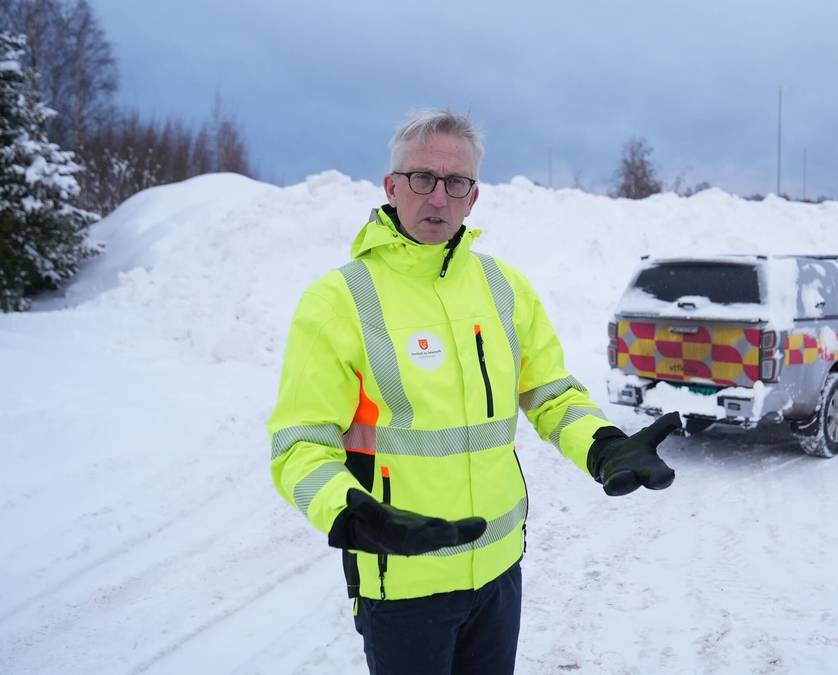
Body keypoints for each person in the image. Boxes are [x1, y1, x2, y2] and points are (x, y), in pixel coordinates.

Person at [267, 109, 680, 675]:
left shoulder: (504, 287)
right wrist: (351, 514)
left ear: (473, 197)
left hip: (498, 570)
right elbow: (300, 443)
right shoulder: (338, 300)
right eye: (421, 178)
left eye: (455, 182)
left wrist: (602, 444)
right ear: (391, 187)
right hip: (401, 579)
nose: (438, 197)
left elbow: (552, 395)